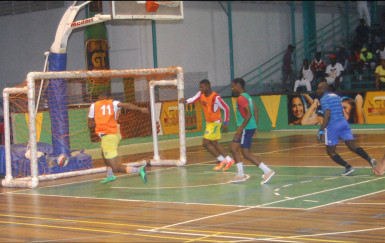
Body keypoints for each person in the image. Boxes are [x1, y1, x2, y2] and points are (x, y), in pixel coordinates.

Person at [316, 81, 377, 176]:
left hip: (333, 125)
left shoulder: (323, 99)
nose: (317, 90)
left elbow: (327, 115)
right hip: (344, 123)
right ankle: (370, 159)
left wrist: (321, 130)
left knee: (330, 151)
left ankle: (349, 167)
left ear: (324, 89)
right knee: (352, 146)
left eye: (319, 88)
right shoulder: (336, 96)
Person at [88, 90, 149, 184]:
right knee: (104, 154)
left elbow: (90, 124)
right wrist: (140, 109)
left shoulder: (94, 106)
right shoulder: (113, 103)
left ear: (99, 97)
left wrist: (97, 122)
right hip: (115, 134)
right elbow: (127, 105)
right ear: (108, 97)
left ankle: (139, 170)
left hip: (108, 137)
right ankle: (109, 175)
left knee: (116, 167)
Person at [179, 79, 235, 171]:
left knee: (206, 143)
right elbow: (193, 99)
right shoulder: (201, 94)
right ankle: (228, 160)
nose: (200, 89)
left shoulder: (215, 97)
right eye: (199, 87)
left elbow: (226, 108)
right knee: (214, 143)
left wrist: (226, 122)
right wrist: (185, 101)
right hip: (209, 123)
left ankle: (222, 160)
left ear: (208, 87)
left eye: (202, 87)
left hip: (215, 123)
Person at [229, 78, 275, 184]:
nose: (232, 88)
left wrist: (241, 128)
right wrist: (255, 126)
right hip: (249, 127)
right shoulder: (247, 96)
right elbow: (256, 110)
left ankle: (267, 171)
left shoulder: (241, 98)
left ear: (237, 85)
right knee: (233, 148)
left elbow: (249, 114)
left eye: (233, 86)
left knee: (246, 153)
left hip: (245, 128)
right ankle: (240, 175)